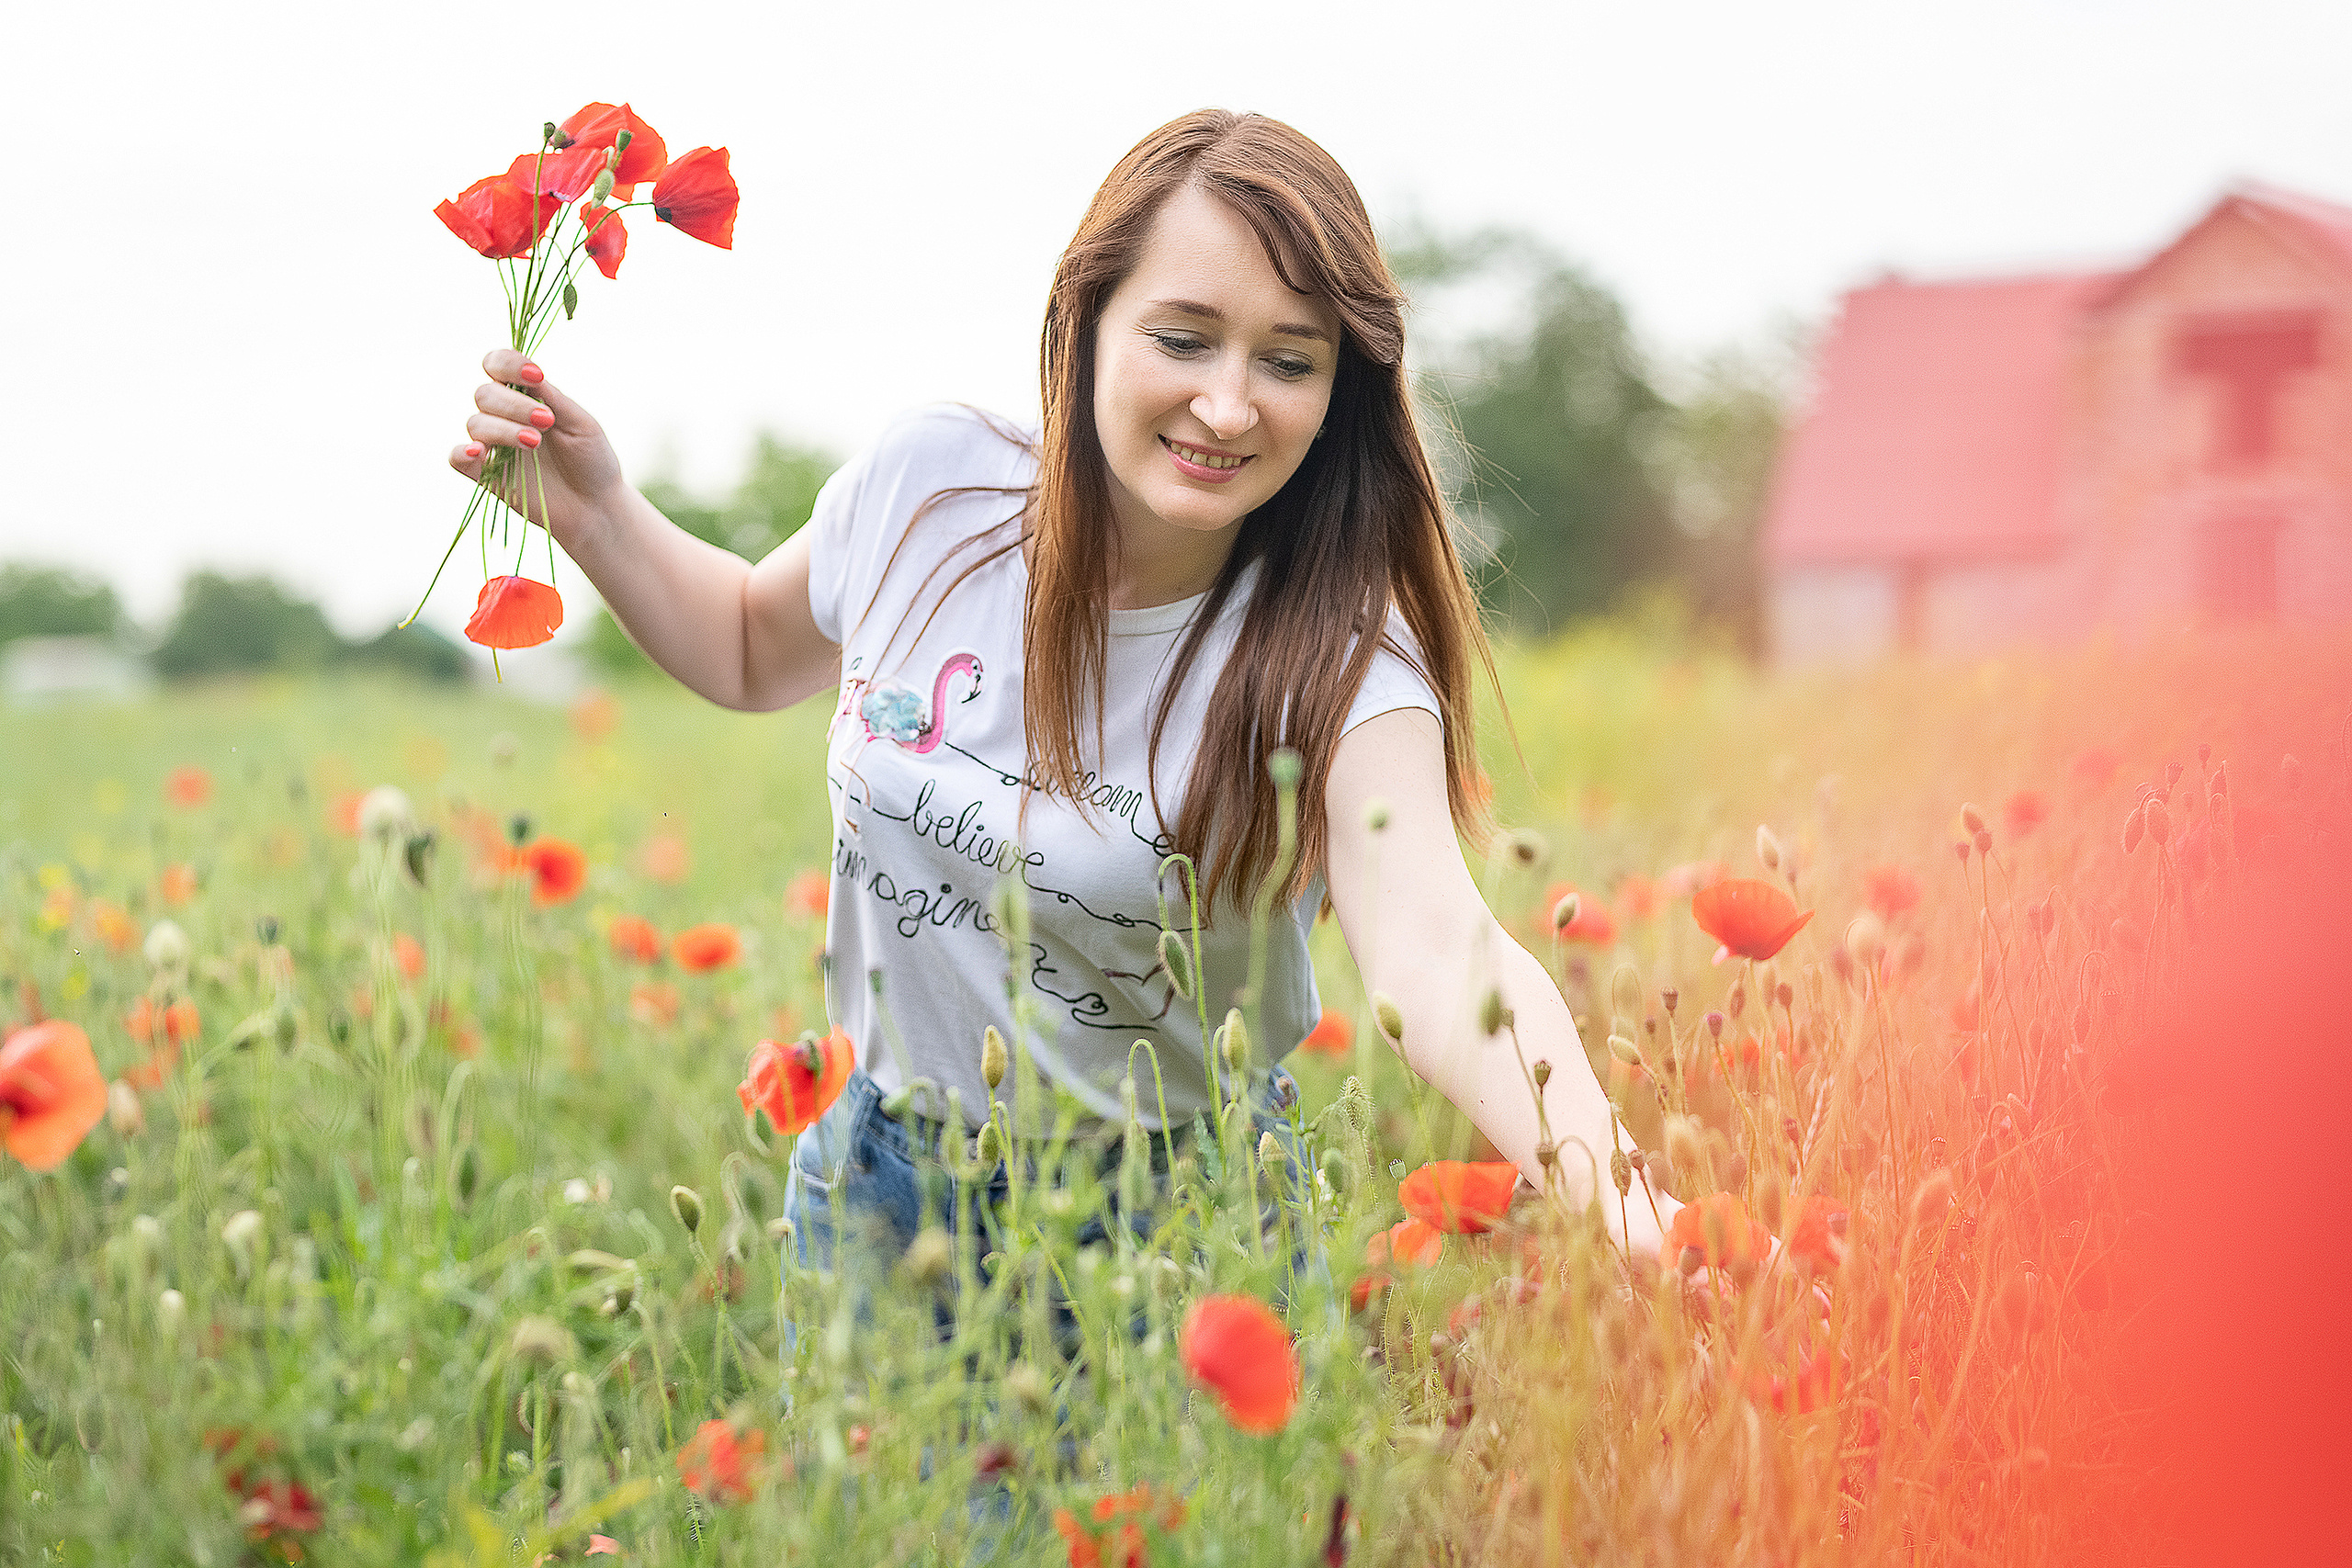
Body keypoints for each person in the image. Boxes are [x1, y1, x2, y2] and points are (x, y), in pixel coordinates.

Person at [447, 107, 1678, 1288]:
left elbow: (1436, 948)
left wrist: (1619, 1196)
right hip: (883, 1185)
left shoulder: (1341, 660)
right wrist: (597, 510)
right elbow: (743, 648)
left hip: (1176, 1230)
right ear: (1085, 321)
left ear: (1337, 388)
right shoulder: (931, 489)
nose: (1229, 405)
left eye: (1288, 361)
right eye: (1183, 337)